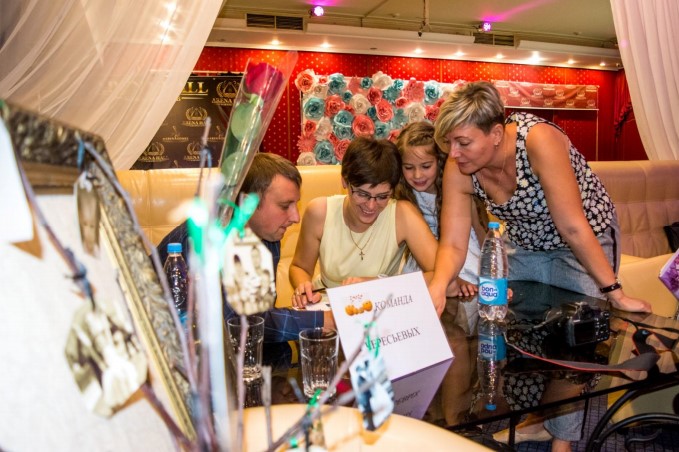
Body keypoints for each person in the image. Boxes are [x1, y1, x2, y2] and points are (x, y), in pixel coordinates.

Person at [428, 81, 651, 451]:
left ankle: (563, 442)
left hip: (581, 239)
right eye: (449, 142)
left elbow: (572, 225)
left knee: (578, 339)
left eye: (463, 142)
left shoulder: (538, 140)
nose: (454, 153)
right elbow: (452, 243)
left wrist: (615, 293)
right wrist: (438, 287)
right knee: (516, 331)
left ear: (495, 133)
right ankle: (536, 421)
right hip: (525, 243)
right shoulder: (460, 168)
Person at [158, 152, 334, 367]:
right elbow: (238, 323)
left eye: (295, 205)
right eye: (284, 206)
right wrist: (321, 320)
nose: (295, 217)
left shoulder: (268, 234)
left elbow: (259, 312)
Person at [289, 137, 438, 308]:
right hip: (327, 306)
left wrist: (379, 284)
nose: (371, 205)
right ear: (345, 180)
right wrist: (303, 287)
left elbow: (440, 274)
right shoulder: (319, 212)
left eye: (382, 196)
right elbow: (299, 267)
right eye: (362, 194)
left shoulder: (402, 214)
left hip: (380, 309)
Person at [395, 121, 484, 296]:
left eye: (426, 166)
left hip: (463, 255)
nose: (417, 175)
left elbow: (482, 232)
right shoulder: (402, 195)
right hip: (424, 262)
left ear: (440, 161)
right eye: (409, 168)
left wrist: (494, 275)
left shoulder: (457, 187)